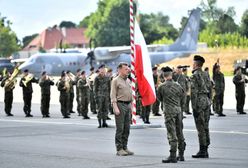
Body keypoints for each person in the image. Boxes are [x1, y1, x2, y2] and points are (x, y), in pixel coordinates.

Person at [157, 66, 186, 163]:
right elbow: (183, 99)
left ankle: (173, 155)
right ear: (171, 74)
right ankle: (181, 155)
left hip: (169, 112)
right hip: (178, 111)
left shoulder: (161, 87)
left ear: (163, 75)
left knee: (171, 133)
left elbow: (160, 99)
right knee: (180, 132)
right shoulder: (178, 85)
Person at [111, 62, 133, 156]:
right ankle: (119, 148)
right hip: (120, 105)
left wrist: (131, 107)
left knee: (127, 128)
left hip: (128, 105)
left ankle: (125, 147)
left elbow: (130, 94)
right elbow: (113, 95)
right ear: (119, 70)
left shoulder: (128, 80)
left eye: (128, 68)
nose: (127, 70)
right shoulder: (115, 80)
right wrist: (115, 107)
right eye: (125, 69)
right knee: (120, 128)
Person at [191, 55, 211, 158]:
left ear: (195, 64)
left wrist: (194, 107)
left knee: (200, 127)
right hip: (207, 101)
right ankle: (206, 149)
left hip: (199, 102)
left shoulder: (194, 75)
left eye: (193, 63)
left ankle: (202, 150)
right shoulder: (206, 74)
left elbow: (193, 93)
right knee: (206, 126)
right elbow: (210, 88)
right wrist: (209, 101)